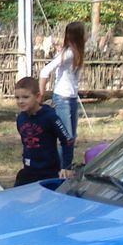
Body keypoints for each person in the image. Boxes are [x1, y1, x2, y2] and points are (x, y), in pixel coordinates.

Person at [39, 21, 85, 172]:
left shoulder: (75, 52)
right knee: (67, 138)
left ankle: (64, 168)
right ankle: (62, 170)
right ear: (78, 35)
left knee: (71, 137)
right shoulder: (68, 53)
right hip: (63, 98)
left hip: (71, 98)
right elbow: (45, 71)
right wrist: (41, 94)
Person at [13, 76, 73, 186]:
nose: (21, 101)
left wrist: (66, 167)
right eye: (17, 98)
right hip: (29, 170)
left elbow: (67, 140)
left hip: (49, 172)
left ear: (37, 96)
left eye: (25, 97)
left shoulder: (50, 117)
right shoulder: (21, 118)